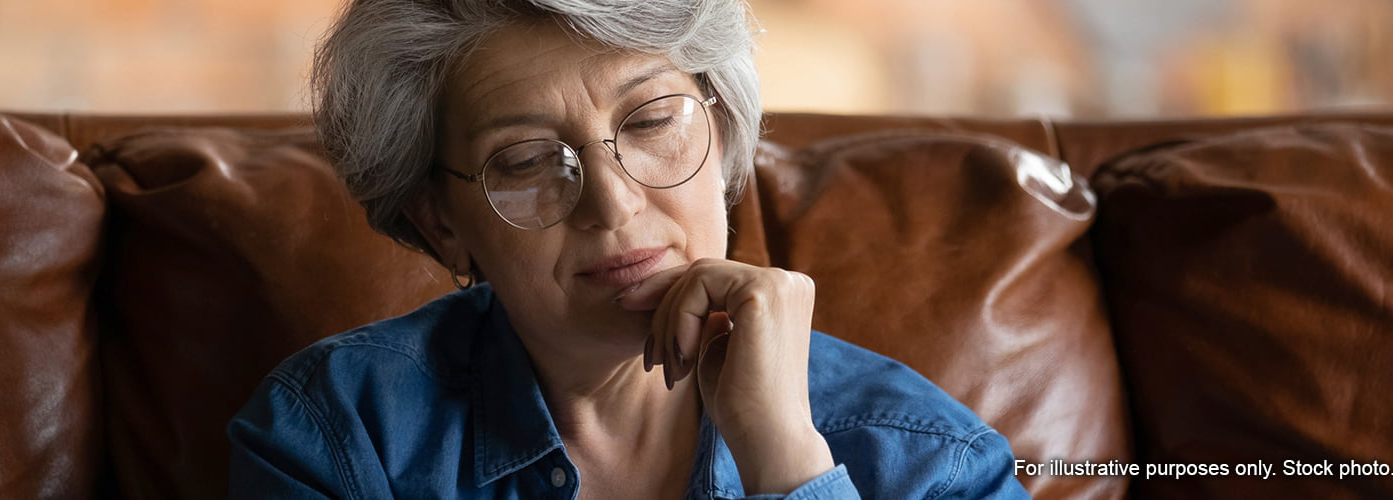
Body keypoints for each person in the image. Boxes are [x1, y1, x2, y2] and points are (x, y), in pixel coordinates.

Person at [227, 0, 1030, 498]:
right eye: (528, 162)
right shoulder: (338, 435)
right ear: (442, 223)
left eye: (650, 123)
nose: (613, 205)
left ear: (722, 136)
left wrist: (787, 463)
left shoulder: (932, 461)